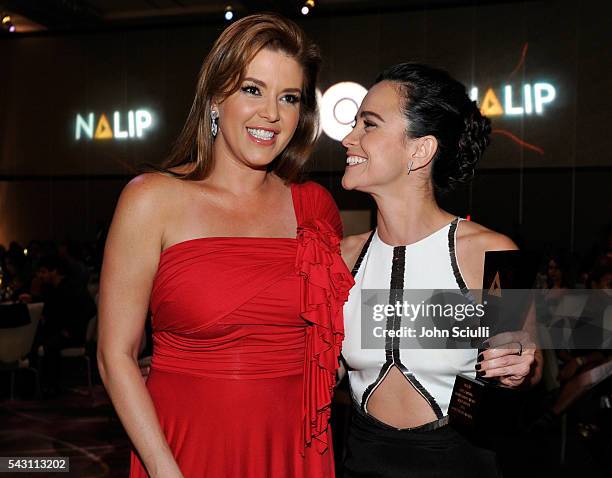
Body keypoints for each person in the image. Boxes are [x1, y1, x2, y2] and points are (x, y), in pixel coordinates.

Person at [97, 14, 353, 478]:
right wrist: (163, 469)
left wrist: (515, 334)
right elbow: (115, 354)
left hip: (296, 452)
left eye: (289, 98)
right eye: (252, 90)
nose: (272, 114)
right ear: (216, 96)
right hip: (182, 452)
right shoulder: (150, 199)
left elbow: (373, 311)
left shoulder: (314, 208)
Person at [339, 63, 540, 477]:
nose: (348, 138)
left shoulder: (490, 252)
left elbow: (528, 369)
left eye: (368, 124)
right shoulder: (340, 258)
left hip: (459, 462)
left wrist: (522, 366)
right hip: (360, 460)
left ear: (420, 150)